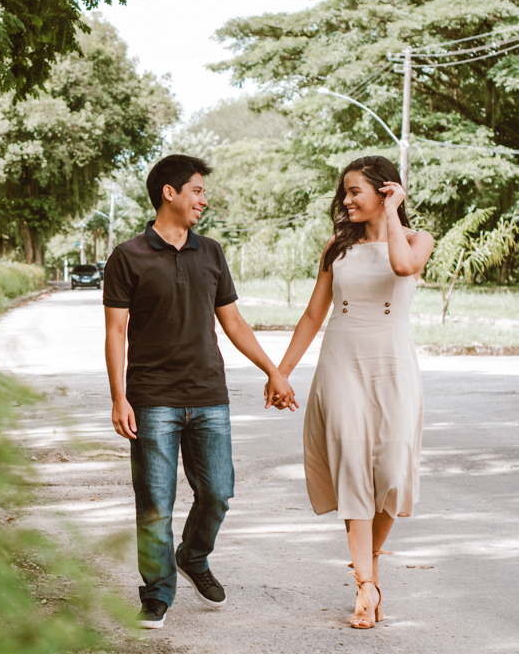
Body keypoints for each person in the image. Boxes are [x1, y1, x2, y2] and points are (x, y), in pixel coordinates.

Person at [103, 154, 298, 629]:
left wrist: (273, 370)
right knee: (154, 502)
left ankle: (192, 556)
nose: (203, 200)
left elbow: (232, 321)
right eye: (197, 190)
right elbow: (115, 331)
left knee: (218, 492)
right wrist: (118, 396)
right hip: (152, 398)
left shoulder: (211, 252)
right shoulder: (128, 256)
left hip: (209, 393)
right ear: (169, 192)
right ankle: (156, 593)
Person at [276, 155, 433, 630]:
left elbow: (403, 267)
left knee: (392, 468)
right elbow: (312, 315)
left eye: (354, 192)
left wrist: (394, 213)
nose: (345, 200)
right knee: (352, 469)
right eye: (343, 192)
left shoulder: (416, 239)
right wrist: (280, 372)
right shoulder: (335, 247)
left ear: (386, 193)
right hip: (342, 364)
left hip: (393, 365)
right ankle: (365, 585)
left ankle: (372, 562)